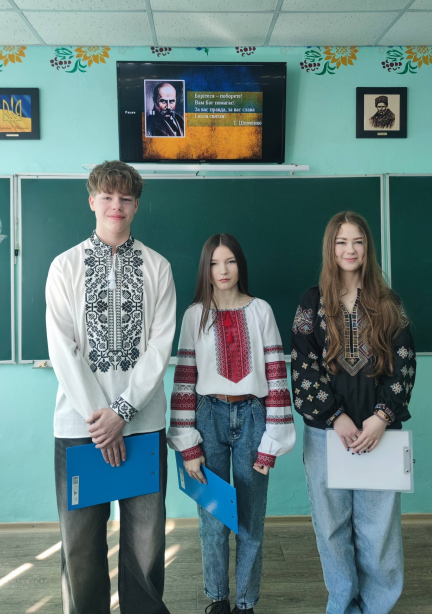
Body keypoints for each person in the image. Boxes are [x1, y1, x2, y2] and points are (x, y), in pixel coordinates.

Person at [46, 160, 176, 614]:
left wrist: (121, 412)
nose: (115, 205)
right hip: (80, 428)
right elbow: (61, 349)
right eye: (107, 196)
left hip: (142, 426)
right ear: (92, 201)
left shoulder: (158, 267)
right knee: (80, 547)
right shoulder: (64, 266)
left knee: (145, 545)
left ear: (136, 206)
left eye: (125, 198)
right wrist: (102, 421)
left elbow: (160, 346)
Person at [291, 211, 416, 614]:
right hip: (326, 435)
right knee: (332, 529)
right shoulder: (312, 302)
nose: (350, 249)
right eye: (341, 241)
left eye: (358, 241)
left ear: (367, 248)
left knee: (379, 531)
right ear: (330, 248)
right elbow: (303, 365)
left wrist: (382, 417)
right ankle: (342, 605)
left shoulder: (388, 303)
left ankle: (377, 606)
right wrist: (335, 417)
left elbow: (403, 361)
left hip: (380, 434)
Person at [168, 234, 296, 614]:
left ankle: (245, 603)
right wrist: (188, 444)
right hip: (207, 418)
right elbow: (184, 379)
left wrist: (273, 442)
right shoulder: (194, 315)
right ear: (205, 269)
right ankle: (218, 600)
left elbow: (276, 376)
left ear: (241, 265)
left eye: (230, 261)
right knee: (212, 519)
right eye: (214, 263)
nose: (222, 271)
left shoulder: (261, 311)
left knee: (250, 520)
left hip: (254, 417)